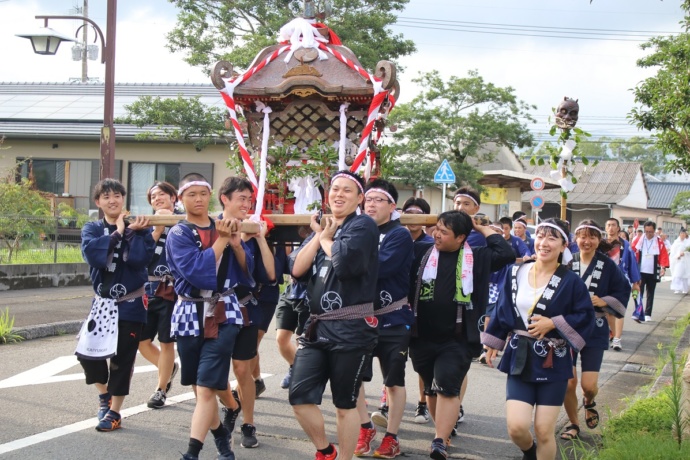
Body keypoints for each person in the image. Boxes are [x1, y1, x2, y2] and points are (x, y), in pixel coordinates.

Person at [482, 218, 595, 460]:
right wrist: (492, 342)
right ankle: (529, 453)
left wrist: (553, 322)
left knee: (544, 430)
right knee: (516, 427)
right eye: (541, 236)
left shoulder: (571, 281)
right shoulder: (516, 272)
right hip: (519, 356)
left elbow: (585, 315)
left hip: (553, 361)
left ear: (564, 245)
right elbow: (502, 309)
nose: (544, 243)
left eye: (552, 238)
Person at [289, 171, 380, 460]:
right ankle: (325, 450)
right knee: (299, 397)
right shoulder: (325, 228)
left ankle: (345, 458)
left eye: (347, 191)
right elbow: (297, 270)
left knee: (345, 404)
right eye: (334, 189)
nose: (338, 195)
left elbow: (344, 264)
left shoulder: (363, 225)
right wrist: (320, 236)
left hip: (351, 328)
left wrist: (326, 238)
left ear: (359, 198)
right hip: (317, 328)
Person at [410, 210, 514, 459]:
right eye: (436, 228)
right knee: (432, 389)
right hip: (421, 335)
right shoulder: (421, 252)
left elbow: (507, 253)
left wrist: (480, 228)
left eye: (444, 232)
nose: (436, 234)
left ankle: (439, 440)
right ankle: (442, 433)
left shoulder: (476, 256)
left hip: (457, 338)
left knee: (448, 386)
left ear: (461, 238)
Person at [167, 173, 253, 460]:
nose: (199, 199)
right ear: (180, 199)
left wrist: (236, 242)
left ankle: (191, 453)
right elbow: (194, 271)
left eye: (204, 193)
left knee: (204, 388)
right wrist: (222, 241)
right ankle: (222, 440)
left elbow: (246, 271)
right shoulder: (179, 233)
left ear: (212, 196)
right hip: (189, 311)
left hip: (223, 311)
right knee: (201, 387)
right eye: (191, 194)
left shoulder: (224, 225)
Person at [77, 178, 155, 431]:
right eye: (106, 196)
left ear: (124, 199)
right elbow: (93, 255)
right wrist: (118, 232)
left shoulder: (139, 228)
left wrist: (133, 231)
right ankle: (104, 395)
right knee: (87, 355)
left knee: (123, 359)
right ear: (98, 202)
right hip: (102, 304)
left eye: (117, 195)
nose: (112, 200)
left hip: (131, 302)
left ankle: (114, 411)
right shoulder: (92, 228)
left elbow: (140, 260)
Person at [354, 179, 414, 459]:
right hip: (359, 317)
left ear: (392, 206)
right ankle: (366, 427)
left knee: (393, 381)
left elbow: (383, 266)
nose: (372, 204)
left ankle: (391, 437)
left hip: (392, 316)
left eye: (379, 199)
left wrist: (351, 262)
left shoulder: (398, 234)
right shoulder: (356, 230)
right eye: (368, 199)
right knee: (352, 378)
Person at [217, 176, 276, 449]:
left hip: (245, 306)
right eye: (241, 198)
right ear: (224, 199)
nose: (246, 203)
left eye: (249, 199)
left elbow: (269, 275)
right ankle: (231, 405)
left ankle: (248, 422)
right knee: (213, 371)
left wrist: (260, 239)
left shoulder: (253, 229)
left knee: (242, 367)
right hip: (213, 308)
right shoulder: (208, 227)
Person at [560, 220, 631, 442]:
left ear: (599, 240)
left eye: (592, 236)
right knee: (568, 381)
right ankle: (573, 423)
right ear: (575, 239)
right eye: (582, 236)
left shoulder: (607, 265)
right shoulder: (567, 262)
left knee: (588, 386)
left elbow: (623, 289)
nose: (586, 241)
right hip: (568, 327)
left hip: (595, 327)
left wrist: (603, 300)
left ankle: (589, 401)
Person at [138, 181, 180, 409]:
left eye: (163, 194)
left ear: (174, 198)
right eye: (153, 196)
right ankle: (168, 368)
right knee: (142, 342)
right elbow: (141, 257)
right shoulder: (146, 224)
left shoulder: (183, 222)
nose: (158, 198)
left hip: (171, 291)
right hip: (147, 290)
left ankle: (160, 389)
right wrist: (157, 229)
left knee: (166, 342)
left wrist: (169, 224)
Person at [401, 197, 434, 425]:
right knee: (393, 357)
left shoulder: (433, 244)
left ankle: (423, 402)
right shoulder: (395, 238)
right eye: (408, 211)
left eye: (418, 213)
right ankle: (387, 401)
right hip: (396, 305)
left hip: (422, 308)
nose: (413, 216)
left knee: (422, 361)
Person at [603, 218, 640, 351]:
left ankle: (617, 339)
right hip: (604, 281)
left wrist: (635, 282)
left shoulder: (625, 245)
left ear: (618, 228)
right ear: (605, 228)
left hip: (621, 282)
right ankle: (612, 333)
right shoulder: (601, 244)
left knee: (619, 310)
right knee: (608, 311)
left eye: (613, 225)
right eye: (608, 225)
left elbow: (632, 264)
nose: (611, 228)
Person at [632, 221, 669, 322]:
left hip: (653, 271)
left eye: (651, 232)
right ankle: (638, 312)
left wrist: (663, 267)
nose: (648, 234)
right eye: (646, 231)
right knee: (639, 292)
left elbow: (663, 255)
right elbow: (632, 253)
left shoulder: (659, 242)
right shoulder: (639, 240)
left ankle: (648, 313)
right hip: (640, 271)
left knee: (650, 293)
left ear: (654, 231)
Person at [670, 228, 690, 294]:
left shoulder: (688, 242)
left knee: (685, 275)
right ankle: (677, 288)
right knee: (677, 274)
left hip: (686, 260)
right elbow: (673, 251)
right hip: (678, 260)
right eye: (681, 233)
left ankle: (685, 289)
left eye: (684, 233)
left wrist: (685, 253)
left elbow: (688, 250)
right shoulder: (676, 242)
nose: (682, 235)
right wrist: (677, 255)